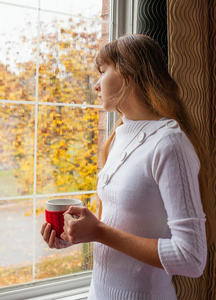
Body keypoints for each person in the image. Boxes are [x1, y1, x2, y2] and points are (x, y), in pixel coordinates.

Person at [41, 34, 208, 300]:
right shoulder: (118, 136)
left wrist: (99, 232)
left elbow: (192, 258)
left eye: (103, 71)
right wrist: (74, 235)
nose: (96, 85)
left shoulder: (169, 144)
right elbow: (114, 224)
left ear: (129, 73)